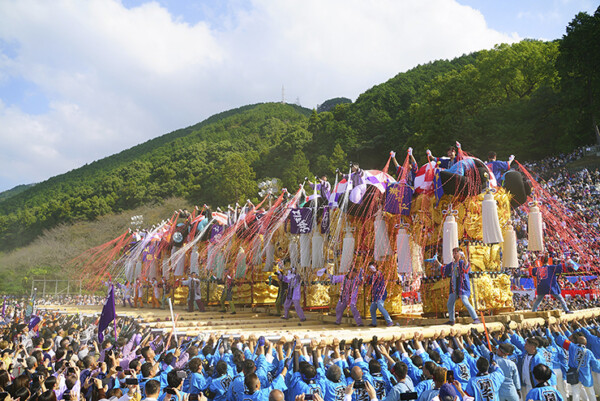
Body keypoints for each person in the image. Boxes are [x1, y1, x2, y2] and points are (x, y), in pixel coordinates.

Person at [434, 247, 480, 325]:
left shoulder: (462, 262)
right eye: (453, 253)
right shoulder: (452, 264)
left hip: (462, 286)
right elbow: (443, 269)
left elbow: (466, 266)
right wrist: (436, 261)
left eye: (456, 253)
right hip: (454, 287)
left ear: (459, 254)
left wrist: (464, 257)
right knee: (450, 303)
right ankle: (452, 320)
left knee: (465, 301)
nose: (454, 255)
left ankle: (476, 318)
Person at [366, 262, 393, 327]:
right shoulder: (372, 276)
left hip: (381, 293)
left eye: (371, 267)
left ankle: (389, 321)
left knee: (380, 306)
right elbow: (368, 283)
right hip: (375, 295)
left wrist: (373, 271)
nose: (370, 269)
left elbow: (377, 275)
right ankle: (374, 323)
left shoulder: (379, 273)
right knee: (372, 309)